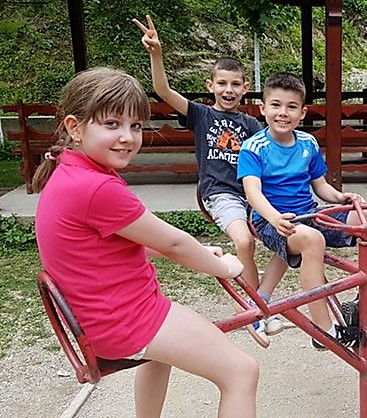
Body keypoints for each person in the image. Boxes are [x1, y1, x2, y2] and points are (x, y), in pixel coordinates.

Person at [33, 67, 259, 418]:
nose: (127, 137)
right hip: (124, 321)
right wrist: (223, 266)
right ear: (75, 128)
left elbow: (122, 238)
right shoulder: (96, 187)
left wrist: (201, 252)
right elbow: (174, 244)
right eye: (112, 124)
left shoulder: (72, 171)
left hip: (105, 315)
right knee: (242, 372)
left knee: (159, 358)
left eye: (135, 125)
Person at [134, 15, 285, 345]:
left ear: (245, 88)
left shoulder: (250, 124)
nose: (228, 90)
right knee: (244, 242)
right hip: (219, 193)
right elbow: (163, 91)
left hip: (250, 192)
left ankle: (260, 302)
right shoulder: (201, 114)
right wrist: (156, 54)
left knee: (289, 238)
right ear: (210, 86)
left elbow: (269, 157)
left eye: (235, 84)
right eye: (222, 84)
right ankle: (251, 310)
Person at [237, 72, 367, 350]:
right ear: (262, 108)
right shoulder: (254, 147)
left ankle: (364, 297)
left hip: (308, 215)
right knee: (311, 239)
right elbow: (253, 192)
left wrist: (341, 197)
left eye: (291, 107)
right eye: (276, 105)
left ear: (303, 112)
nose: (283, 113)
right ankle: (324, 330)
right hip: (270, 221)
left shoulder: (308, 143)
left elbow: (321, 186)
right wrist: (274, 218)